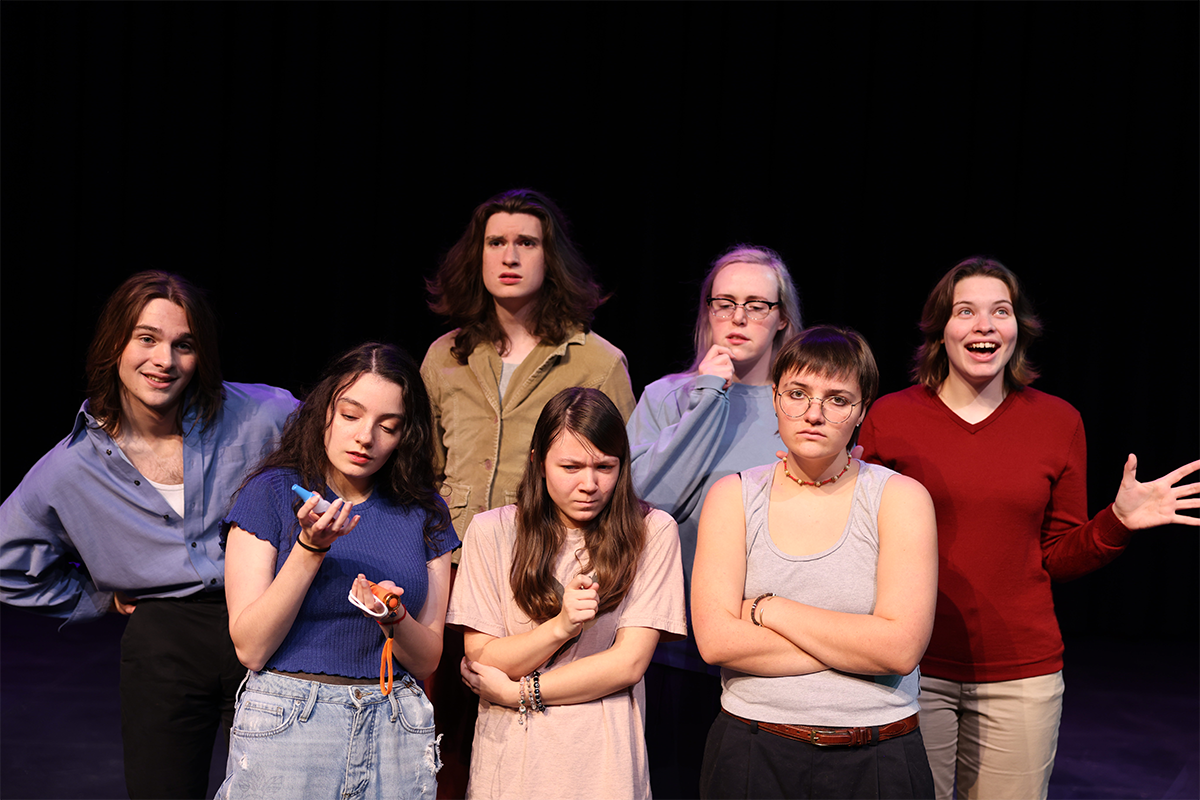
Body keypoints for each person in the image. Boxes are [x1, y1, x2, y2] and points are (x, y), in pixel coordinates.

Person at [858, 256, 1200, 800]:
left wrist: (1117, 523)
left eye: (1001, 311)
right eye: (965, 311)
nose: (984, 325)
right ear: (940, 329)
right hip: (910, 668)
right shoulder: (889, 419)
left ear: (1019, 328)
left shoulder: (1057, 422)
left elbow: (1059, 556)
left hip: (1020, 675)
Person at [0, 271, 296, 800]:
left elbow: (343, 464)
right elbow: (7, 564)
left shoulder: (264, 417)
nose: (165, 360)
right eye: (147, 339)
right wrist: (97, 598)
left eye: (184, 345)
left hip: (269, 626)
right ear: (115, 343)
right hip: (165, 637)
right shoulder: (69, 469)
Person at [421, 188, 636, 796]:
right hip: (455, 569)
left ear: (551, 258)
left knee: (529, 737)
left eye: (526, 242)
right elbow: (423, 473)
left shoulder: (596, 361)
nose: (509, 255)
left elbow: (614, 474)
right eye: (496, 243)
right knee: (442, 745)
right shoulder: (447, 356)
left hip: (543, 570)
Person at [692, 325, 937, 800]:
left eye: (837, 399)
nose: (814, 414)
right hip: (754, 750)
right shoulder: (734, 496)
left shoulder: (899, 498)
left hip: (877, 755)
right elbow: (717, 641)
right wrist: (860, 649)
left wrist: (767, 609)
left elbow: (900, 651)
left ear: (862, 410)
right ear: (775, 398)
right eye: (798, 394)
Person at [216, 343, 459, 799]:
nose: (366, 437)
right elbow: (250, 646)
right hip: (293, 718)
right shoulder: (271, 494)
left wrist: (393, 616)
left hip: (393, 722)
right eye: (350, 416)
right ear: (323, 413)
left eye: (388, 426)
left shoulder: (425, 512)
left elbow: (426, 659)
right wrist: (311, 547)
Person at [449, 387, 686, 799]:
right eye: (571, 467)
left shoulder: (652, 531)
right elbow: (483, 658)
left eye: (605, 467)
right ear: (538, 464)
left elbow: (628, 663)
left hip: (602, 764)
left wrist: (520, 691)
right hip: (512, 760)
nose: (589, 484)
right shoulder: (492, 531)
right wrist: (560, 627)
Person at [625, 244, 801, 798]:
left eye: (757, 304)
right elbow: (646, 501)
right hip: (672, 639)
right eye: (724, 303)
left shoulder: (799, 407)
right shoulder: (666, 397)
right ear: (707, 313)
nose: (739, 318)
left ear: (782, 319)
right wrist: (707, 394)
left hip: (765, 641)